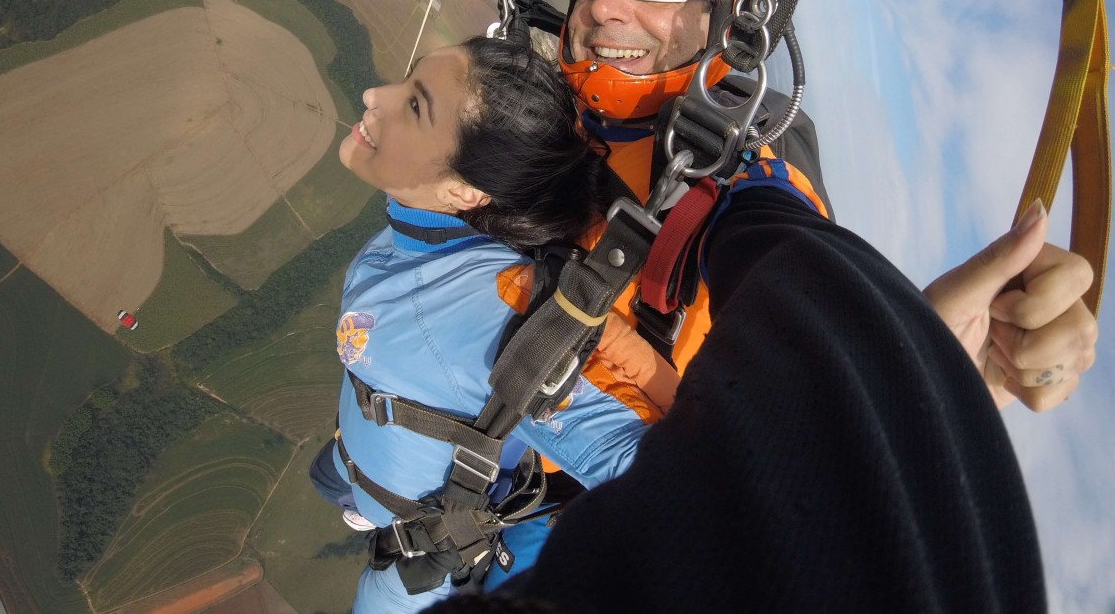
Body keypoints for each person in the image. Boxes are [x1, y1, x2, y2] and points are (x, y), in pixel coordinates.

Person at [549, 0, 1096, 411]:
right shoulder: (545, 109)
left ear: (720, 14)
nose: (603, 8)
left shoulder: (736, 160)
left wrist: (904, 373)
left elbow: (788, 261)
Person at [425, 183, 1056, 611]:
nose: (611, 4)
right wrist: (908, 391)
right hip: (564, 446)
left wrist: (898, 384)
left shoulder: (753, 178)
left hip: (584, 454)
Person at [318, 37, 660, 613]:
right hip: (357, 461)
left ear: (464, 191)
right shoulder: (424, 236)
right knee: (326, 477)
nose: (374, 95)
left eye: (416, 106)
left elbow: (659, 480)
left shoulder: (497, 317)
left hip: (418, 553)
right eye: (406, 82)